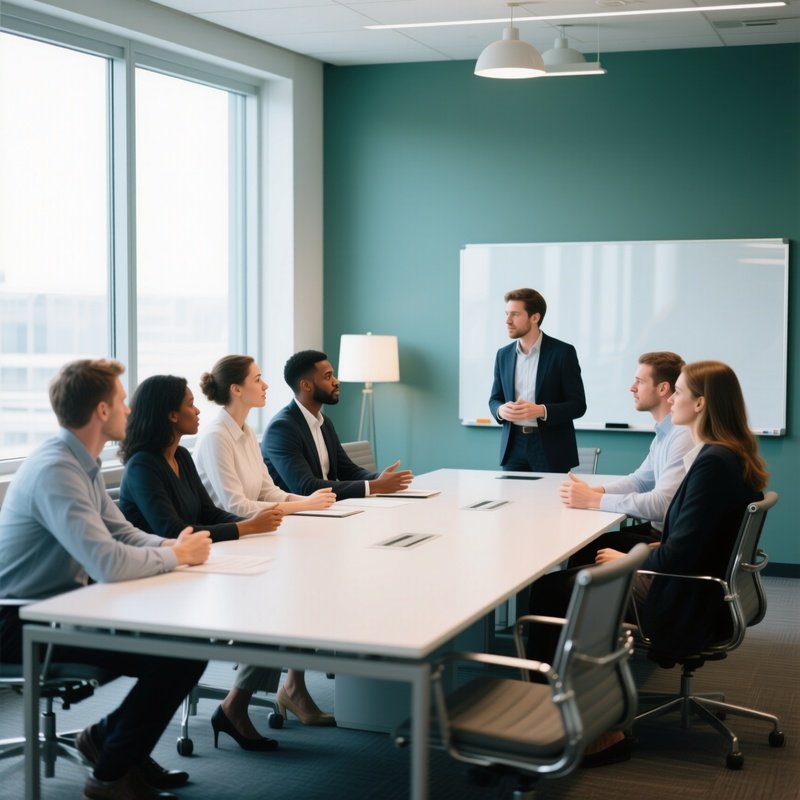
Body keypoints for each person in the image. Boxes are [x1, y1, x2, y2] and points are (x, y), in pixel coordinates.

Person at [526, 360, 768, 766]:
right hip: (700, 586)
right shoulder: (730, 453)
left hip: (682, 592)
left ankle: (577, 726)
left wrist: (629, 559)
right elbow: (687, 542)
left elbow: (680, 553)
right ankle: (580, 710)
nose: (672, 397)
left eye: (681, 392)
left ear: (702, 403)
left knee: (552, 591)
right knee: (579, 576)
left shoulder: (712, 463)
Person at [0, 359, 212, 800]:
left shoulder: (81, 462)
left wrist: (174, 548)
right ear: (101, 411)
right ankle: (110, 776)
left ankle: (112, 744)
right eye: (121, 401)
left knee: (185, 645)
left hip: (66, 610)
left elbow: (122, 532)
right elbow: (108, 563)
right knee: (178, 654)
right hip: (21, 625)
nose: (129, 411)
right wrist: (175, 556)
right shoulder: (56, 469)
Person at [118, 374, 286, 752]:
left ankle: (235, 706)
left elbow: (208, 512)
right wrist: (245, 529)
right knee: (267, 605)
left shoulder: (180, 455)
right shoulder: (143, 466)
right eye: (190, 403)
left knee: (276, 599)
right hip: (160, 580)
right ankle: (232, 710)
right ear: (170, 414)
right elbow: (174, 530)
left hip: (197, 567)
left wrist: (254, 526)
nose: (197, 410)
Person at [194, 355, 336, 728]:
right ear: (236, 389)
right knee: (282, 600)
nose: (266, 385)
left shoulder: (246, 432)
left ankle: (293, 685)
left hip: (254, 537)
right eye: (258, 379)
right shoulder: (215, 437)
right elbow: (234, 505)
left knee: (306, 585)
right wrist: (297, 508)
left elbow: (267, 490)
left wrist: (306, 503)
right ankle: (242, 702)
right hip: (225, 544)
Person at [561, 352, 695, 566]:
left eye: (639, 382)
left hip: (666, 539)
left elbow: (662, 504)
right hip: (660, 531)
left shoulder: (682, 435)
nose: (632, 388)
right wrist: (595, 492)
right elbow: (640, 481)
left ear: (663, 389)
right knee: (587, 547)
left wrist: (593, 500)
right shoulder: (665, 432)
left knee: (584, 551)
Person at [262, 350, 413, 500]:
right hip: (296, 517)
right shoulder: (282, 429)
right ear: (306, 385)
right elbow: (305, 487)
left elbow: (348, 471)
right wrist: (376, 486)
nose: (336, 381)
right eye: (328, 376)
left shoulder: (324, 422)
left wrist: (381, 478)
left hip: (328, 510)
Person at [489, 288, 586, 473]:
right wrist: (500, 410)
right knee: (511, 501)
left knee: (549, 502)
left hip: (550, 447)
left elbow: (578, 405)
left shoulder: (563, 353)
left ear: (534, 318)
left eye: (515, 314)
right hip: (513, 446)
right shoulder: (503, 355)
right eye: (506, 314)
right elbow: (495, 399)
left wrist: (542, 410)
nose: (507, 321)